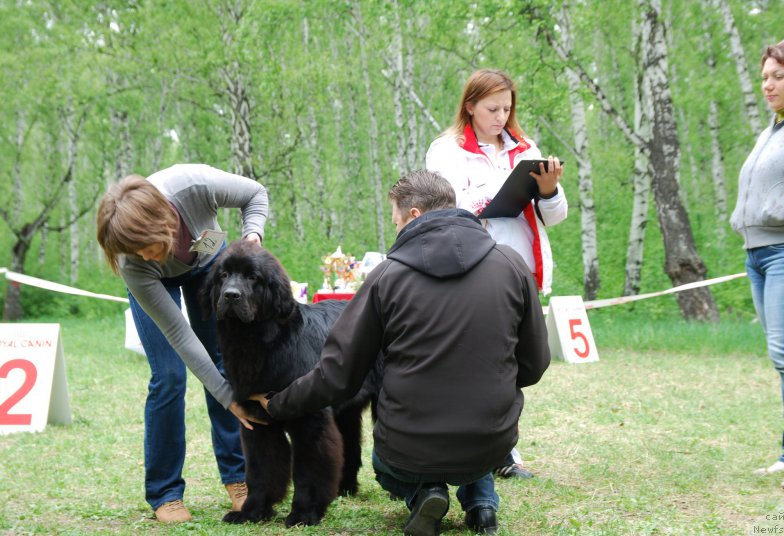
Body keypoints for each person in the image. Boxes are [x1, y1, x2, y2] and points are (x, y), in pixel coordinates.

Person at [254, 170, 551, 536]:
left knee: (389, 459)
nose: (395, 228)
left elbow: (338, 375)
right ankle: (482, 505)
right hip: (493, 440)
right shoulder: (511, 264)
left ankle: (425, 490)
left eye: (395, 219)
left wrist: (278, 404)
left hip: (409, 448)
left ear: (413, 215)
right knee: (474, 433)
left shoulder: (386, 276)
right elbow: (535, 365)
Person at [96, 164, 268, 522]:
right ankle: (165, 493)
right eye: (133, 251)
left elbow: (255, 193)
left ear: (161, 223)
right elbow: (180, 336)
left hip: (208, 265)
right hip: (156, 285)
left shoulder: (194, 185)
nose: (142, 255)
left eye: (145, 247)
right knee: (169, 377)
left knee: (222, 362)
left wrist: (253, 235)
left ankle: (239, 478)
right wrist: (229, 398)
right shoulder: (135, 263)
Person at [426, 68, 567, 479]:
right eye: (492, 108)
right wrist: (498, 192)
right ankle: (477, 448)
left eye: (507, 108)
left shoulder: (526, 148)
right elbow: (443, 207)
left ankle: (506, 448)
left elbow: (554, 217)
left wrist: (549, 190)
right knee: (475, 356)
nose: (501, 116)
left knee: (513, 358)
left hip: (518, 265)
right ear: (469, 106)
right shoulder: (445, 150)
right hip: (469, 265)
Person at [729, 37, 784, 490]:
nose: (768, 86)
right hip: (758, 253)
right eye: (764, 78)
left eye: (779, 76)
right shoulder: (774, 127)